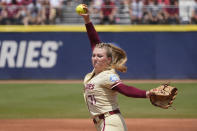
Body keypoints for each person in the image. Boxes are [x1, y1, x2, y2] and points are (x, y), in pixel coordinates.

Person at [79, 4, 152, 131]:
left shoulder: (108, 75)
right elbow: (96, 44)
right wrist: (87, 21)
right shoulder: (92, 75)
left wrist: (146, 94)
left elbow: (124, 89)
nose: (96, 57)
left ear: (108, 60)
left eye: (100, 56)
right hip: (101, 123)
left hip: (111, 123)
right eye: (94, 55)